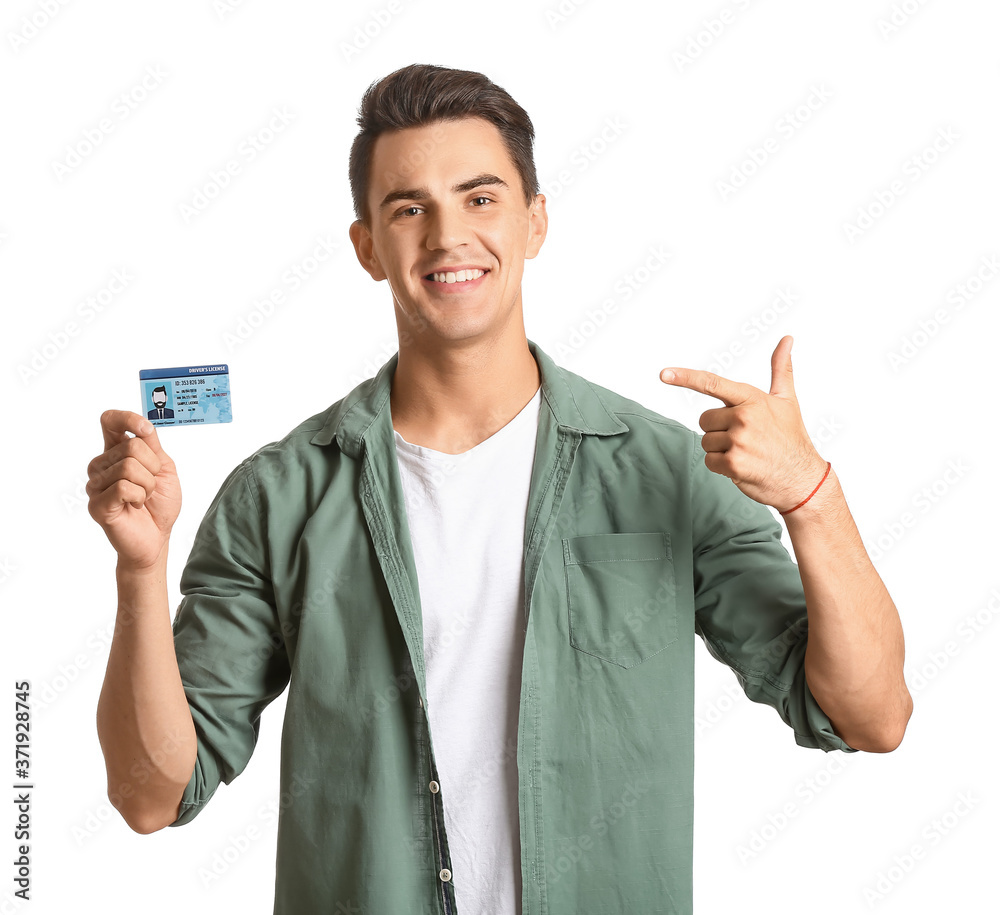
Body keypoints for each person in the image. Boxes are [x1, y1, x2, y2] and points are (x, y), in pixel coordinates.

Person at [88, 63, 912, 915]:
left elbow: (869, 716)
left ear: (535, 220)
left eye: (480, 198)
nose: (448, 235)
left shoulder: (671, 474)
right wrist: (140, 570)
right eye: (409, 207)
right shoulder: (278, 495)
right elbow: (152, 794)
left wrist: (813, 497)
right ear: (369, 245)